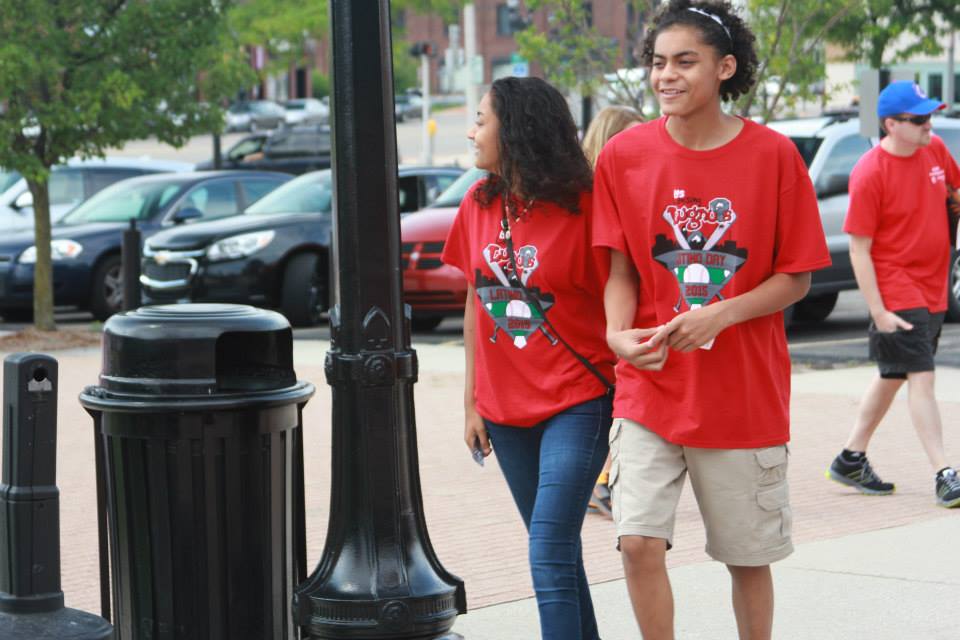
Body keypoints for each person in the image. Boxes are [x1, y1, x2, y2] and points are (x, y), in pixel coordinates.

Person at [591, 1, 831, 638]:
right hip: (650, 387)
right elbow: (619, 270)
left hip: (742, 394)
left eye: (684, 62)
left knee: (746, 560)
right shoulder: (624, 155)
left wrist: (721, 316)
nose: (666, 75)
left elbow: (796, 276)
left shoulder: (775, 156)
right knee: (637, 542)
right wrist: (618, 335)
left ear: (725, 68)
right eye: (657, 62)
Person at [442, 76, 616, 640]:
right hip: (503, 408)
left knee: (546, 549)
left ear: (514, 130)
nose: (471, 132)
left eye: (480, 120)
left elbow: (623, 297)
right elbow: (476, 300)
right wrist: (472, 402)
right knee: (559, 552)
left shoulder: (585, 205)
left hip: (577, 397)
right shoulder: (476, 203)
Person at [825, 81, 960, 508]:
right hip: (897, 287)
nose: (928, 125)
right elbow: (860, 249)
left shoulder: (935, 150)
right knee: (921, 374)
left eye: (929, 117)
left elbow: (955, 196)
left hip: (934, 283)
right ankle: (944, 472)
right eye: (918, 119)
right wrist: (879, 310)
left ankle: (850, 457)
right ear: (891, 125)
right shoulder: (870, 171)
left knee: (894, 372)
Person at [580, 104, 644, 518]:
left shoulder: (635, 192)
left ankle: (603, 480)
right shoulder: (587, 199)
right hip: (594, 322)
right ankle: (601, 481)